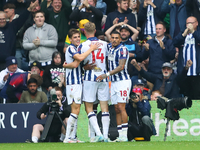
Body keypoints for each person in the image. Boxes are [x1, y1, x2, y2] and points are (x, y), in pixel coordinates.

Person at [63, 28, 101, 143]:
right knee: (75, 110)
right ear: (70, 39)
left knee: (76, 111)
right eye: (75, 37)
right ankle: (67, 138)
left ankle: (73, 137)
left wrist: (84, 67)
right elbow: (78, 60)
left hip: (78, 82)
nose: (77, 39)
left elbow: (76, 64)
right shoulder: (70, 48)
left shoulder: (76, 49)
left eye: (78, 36)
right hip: (73, 83)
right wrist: (91, 49)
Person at [77, 22, 110, 142]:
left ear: (84, 32)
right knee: (104, 106)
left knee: (89, 107)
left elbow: (79, 62)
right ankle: (105, 136)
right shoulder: (105, 44)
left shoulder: (83, 45)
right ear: (95, 30)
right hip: (103, 76)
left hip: (90, 78)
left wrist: (84, 67)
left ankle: (98, 134)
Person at [96, 31, 131, 142]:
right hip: (114, 83)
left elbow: (121, 67)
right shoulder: (110, 48)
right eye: (113, 38)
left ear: (121, 39)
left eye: (117, 38)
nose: (115, 40)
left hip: (123, 81)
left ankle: (124, 135)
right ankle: (120, 135)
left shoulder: (123, 49)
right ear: (110, 39)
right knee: (116, 109)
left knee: (121, 108)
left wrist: (106, 75)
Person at [0, 0, 39, 71]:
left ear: (6, 19)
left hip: (9, 62)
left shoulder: (11, 27)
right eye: (0, 19)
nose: (2, 20)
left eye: (3, 19)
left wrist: (29, 9)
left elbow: (22, 18)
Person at [173, 16, 200, 99]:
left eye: (191, 23)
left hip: (197, 72)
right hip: (185, 72)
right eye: (188, 23)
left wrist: (193, 32)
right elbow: (174, 42)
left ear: (196, 23)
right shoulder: (183, 34)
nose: (189, 25)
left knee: (197, 97)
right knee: (186, 98)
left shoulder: (198, 33)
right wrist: (183, 35)